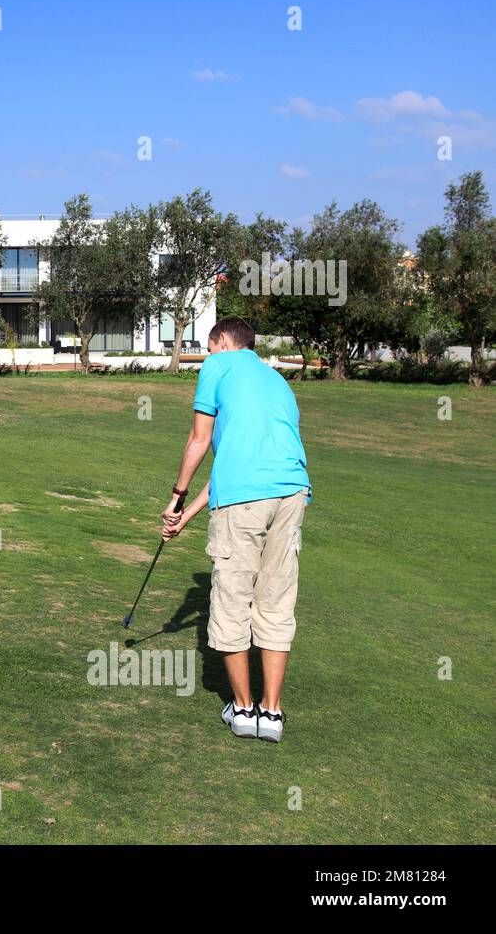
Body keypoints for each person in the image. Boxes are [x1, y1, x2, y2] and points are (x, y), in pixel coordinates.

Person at [160, 317, 311, 742]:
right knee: (276, 599)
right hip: (291, 493)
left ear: (222, 342)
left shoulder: (217, 367)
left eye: (209, 348)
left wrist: (175, 494)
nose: (207, 357)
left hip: (248, 500)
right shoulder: (277, 381)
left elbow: (199, 440)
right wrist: (185, 517)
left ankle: (244, 710)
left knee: (232, 598)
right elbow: (234, 469)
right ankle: (273, 713)